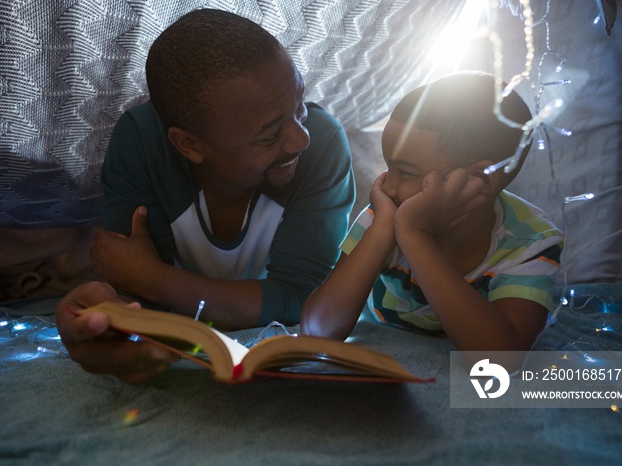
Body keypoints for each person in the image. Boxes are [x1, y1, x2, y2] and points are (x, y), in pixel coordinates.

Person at [55, 9, 354, 384]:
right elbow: (132, 294)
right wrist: (116, 310)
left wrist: (156, 280)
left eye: (299, 106)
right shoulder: (142, 144)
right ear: (189, 145)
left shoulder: (323, 144)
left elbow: (306, 300)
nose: (300, 139)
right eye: (268, 135)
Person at [300, 71, 563, 369]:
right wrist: (385, 229)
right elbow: (317, 330)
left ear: (481, 179)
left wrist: (414, 235)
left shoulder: (530, 242)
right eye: (389, 167)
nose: (387, 186)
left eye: (406, 172)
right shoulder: (385, 213)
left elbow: (500, 360)